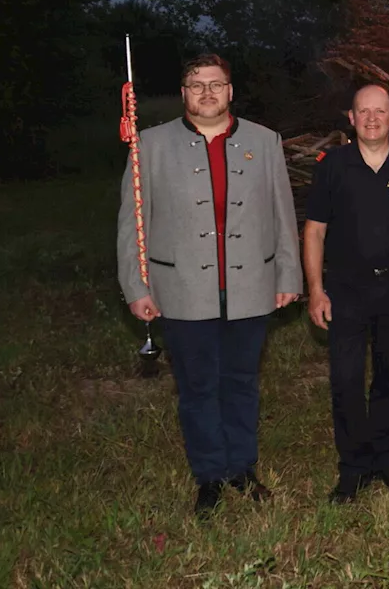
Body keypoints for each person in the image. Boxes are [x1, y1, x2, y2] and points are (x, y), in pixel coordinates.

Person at [117, 54, 302, 518]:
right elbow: (132, 222)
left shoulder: (264, 141)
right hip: (181, 289)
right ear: (183, 93)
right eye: (196, 85)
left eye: (215, 84)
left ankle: (242, 468)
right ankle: (210, 477)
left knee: (241, 382)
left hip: (250, 287)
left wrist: (288, 274)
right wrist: (136, 286)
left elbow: (283, 213)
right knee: (198, 387)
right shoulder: (150, 144)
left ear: (231, 91)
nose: (206, 93)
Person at [302, 85, 389, 503]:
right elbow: (314, 230)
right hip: (345, 288)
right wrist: (315, 289)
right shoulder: (332, 166)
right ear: (351, 118)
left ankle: (383, 456)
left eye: (380, 111)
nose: (372, 119)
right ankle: (353, 467)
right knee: (346, 379)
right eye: (364, 112)